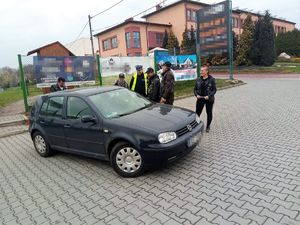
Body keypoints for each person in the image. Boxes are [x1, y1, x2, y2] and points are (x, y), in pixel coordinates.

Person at [194, 66, 217, 133]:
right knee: (197, 113)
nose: (201, 72)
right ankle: (195, 125)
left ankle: (208, 126)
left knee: (209, 113)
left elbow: (214, 90)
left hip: (209, 100)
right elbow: (195, 89)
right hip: (200, 99)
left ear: (207, 71)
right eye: (201, 70)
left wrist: (209, 96)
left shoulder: (211, 79)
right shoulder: (198, 79)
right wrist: (196, 95)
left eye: (203, 70)